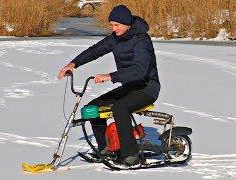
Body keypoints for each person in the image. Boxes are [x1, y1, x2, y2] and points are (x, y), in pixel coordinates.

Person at [58, 5, 160, 166]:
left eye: (116, 25)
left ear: (127, 24)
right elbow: (95, 50)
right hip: (129, 87)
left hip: (147, 88)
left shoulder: (142, 40)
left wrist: (110, 76)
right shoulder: (115, 38)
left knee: (119, 108)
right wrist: (73, 64)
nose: (113, 28)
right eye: (111, 24)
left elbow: (139, 71)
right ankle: (105, 149)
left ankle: (131, 155)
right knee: (92, 109)